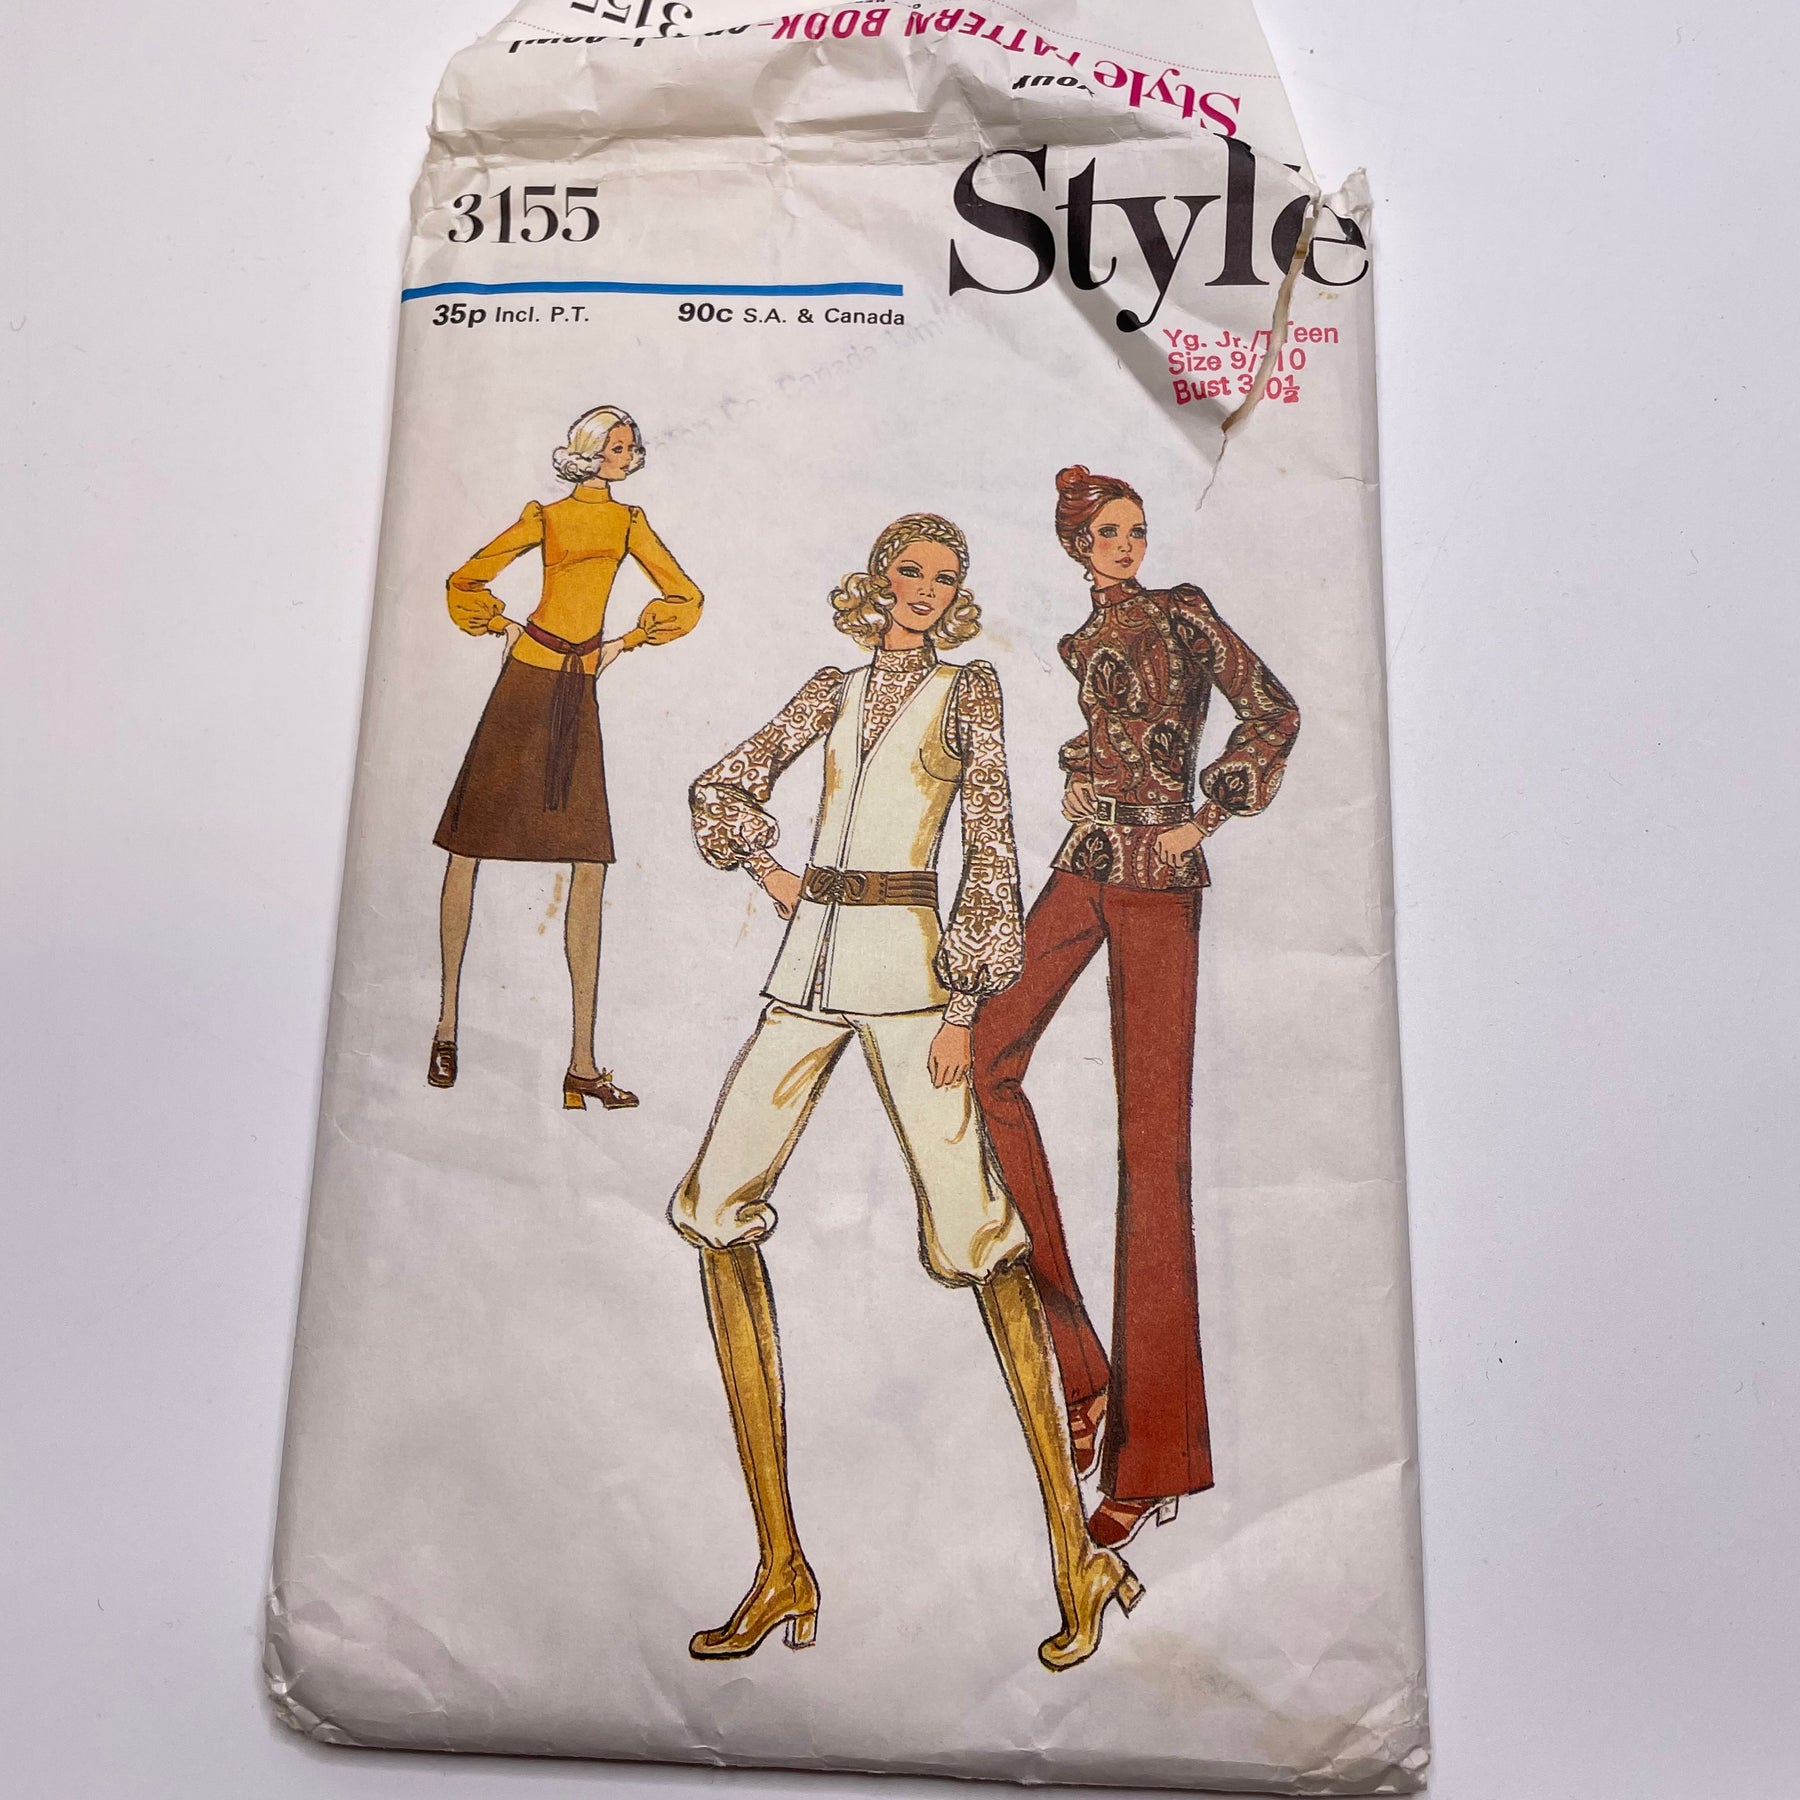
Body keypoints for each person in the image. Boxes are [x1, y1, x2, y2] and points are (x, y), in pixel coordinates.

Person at [674, 513, 1140, 1671]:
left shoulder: (968, 689)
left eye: (945, 576)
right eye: (911, 572)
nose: (926, 589)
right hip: (807, 972)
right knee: (713, 1211)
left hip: (917, 982)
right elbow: (722, 783)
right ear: (878, 580)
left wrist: (968, 1008)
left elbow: (991, 842)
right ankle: (781, 1564)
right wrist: (771, 873)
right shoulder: (829, 690)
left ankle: (1075, 1557)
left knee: (980, 1241)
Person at [971, 466, 1301, 1549]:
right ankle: (1082, 1367)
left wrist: (1211, 814)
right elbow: (1106, 742)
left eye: (1135, 529)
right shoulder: (1086, 638)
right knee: (980, 1064)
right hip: (1085, 861)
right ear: (1076, 545)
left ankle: (1153, 1461)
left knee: (1151, 1157)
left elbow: (1273, 709)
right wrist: (1079, 780)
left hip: (1162, 878)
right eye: (1107, 532)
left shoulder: (1183, 613)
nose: (1126, 544)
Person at [428, 405, 702, 1110]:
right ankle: (446, 1027)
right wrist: (500, 624)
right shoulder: (545, 517)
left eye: (632, 447)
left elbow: (685, 597)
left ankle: (582, 1063)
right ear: (590, 451)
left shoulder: (629, 522)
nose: (629, 455)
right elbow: (465, 579)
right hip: (525, 680)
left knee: (589, 862)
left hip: (578, 692)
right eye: (618, 446)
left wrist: (625, 643)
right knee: (467, 846)